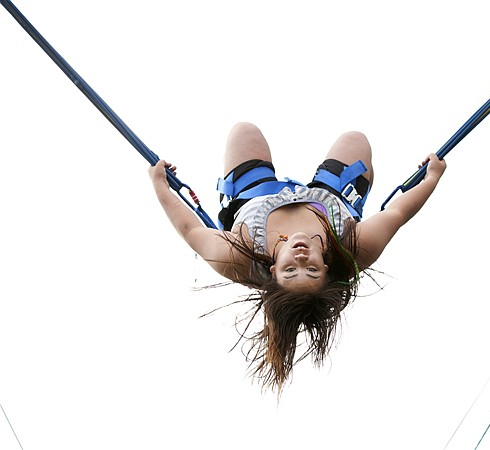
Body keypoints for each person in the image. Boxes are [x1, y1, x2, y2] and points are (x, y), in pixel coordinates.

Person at [149, 122, 446, 393]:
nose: (301, 256)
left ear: (274, 269)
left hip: (254, 196)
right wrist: (431, 178)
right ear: (326, 267)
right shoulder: (353, 248)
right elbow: (397, 213)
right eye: (312, 269)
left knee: (244, 132)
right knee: (355, 139)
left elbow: (191, 230)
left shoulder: (238, 256)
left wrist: (160, 184)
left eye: (291, 269)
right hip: (332, 197)